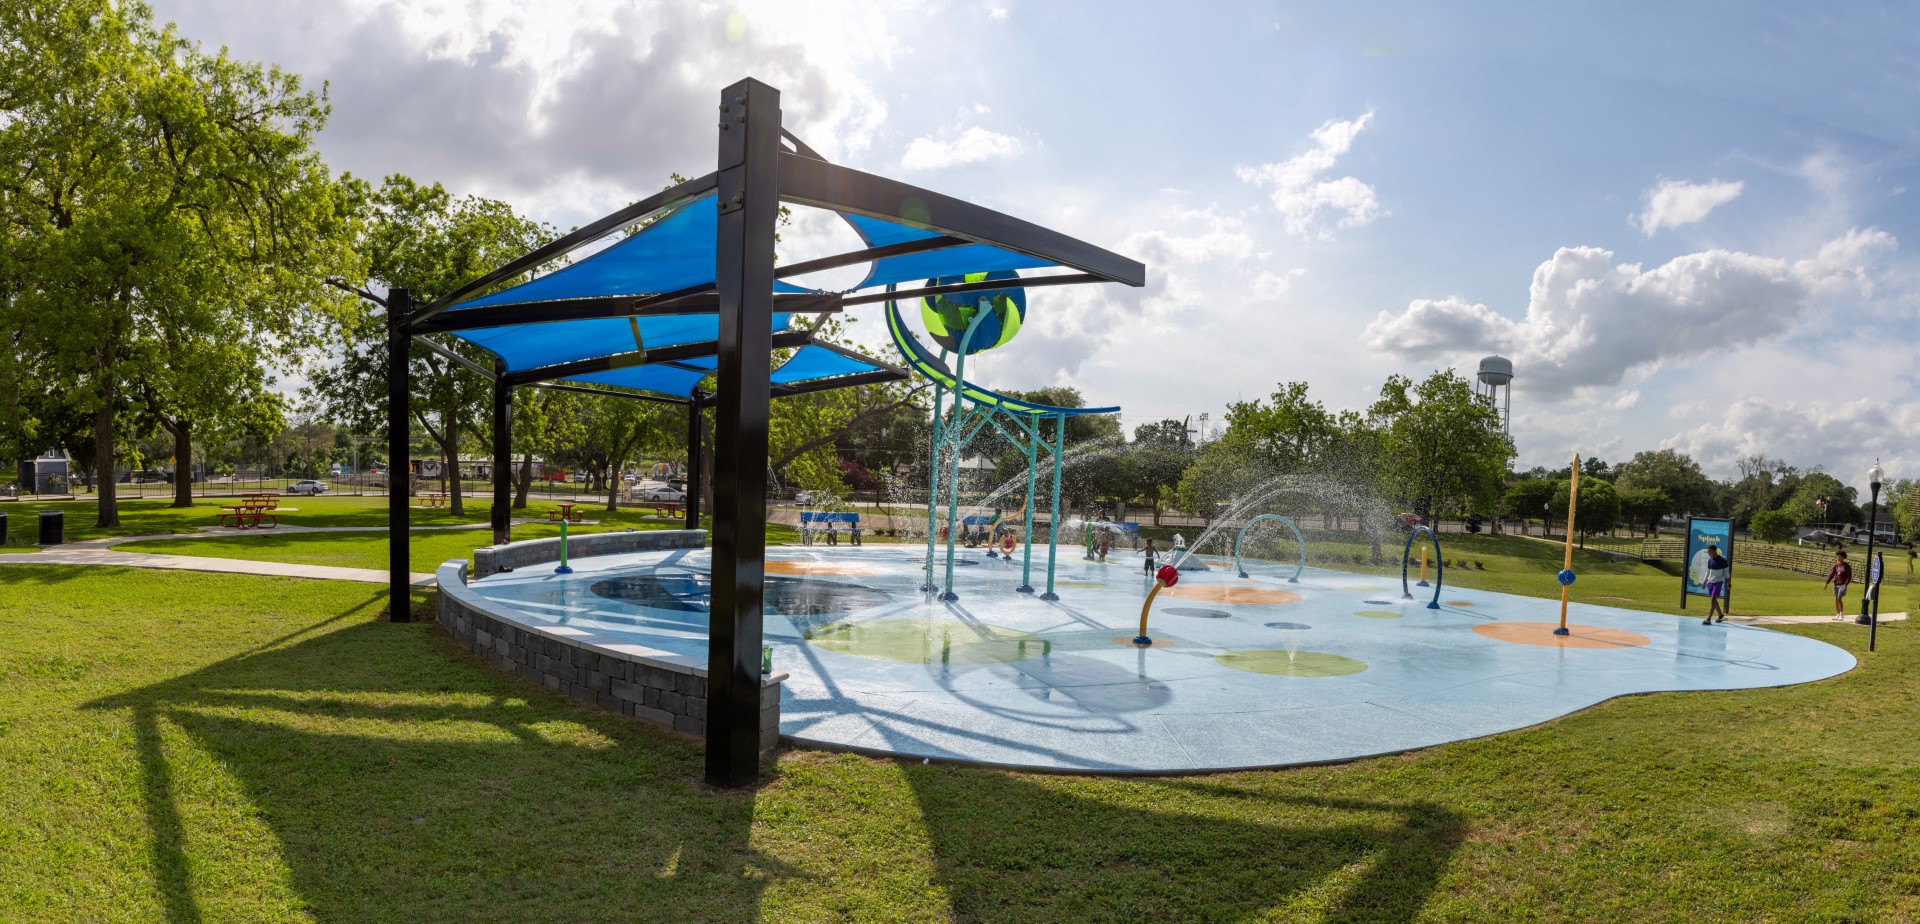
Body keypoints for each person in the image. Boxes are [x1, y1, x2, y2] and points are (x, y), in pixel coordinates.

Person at [1702, 543, 1731, 625]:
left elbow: (1727, 572)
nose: (1708, 553)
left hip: (1718, 582)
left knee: (1713, 600)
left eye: (1709, 552)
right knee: (1713, 600)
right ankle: (1721, 615)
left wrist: (1729, 582)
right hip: (1710, 582)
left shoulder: (1723, 561)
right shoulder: (1710, 560)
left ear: (1715, 551)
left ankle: (1708, 619)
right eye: (1708, 552)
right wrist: (1704, 582)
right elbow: (1707, 572)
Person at [1823, 549, 1852, 620]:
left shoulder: (1846, 565)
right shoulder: (1836, 565)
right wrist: (1826, 583)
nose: (1837, 558)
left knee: (1839, 598)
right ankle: (1837, 614)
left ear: (1843, 557)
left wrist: (1846, 584)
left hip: (1843, 585)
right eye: (1837, 556)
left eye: (1839, 556)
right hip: (1836, 584)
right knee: (1836, 599)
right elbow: (1831, 574)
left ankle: (1842, 614)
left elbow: (1849, 576)